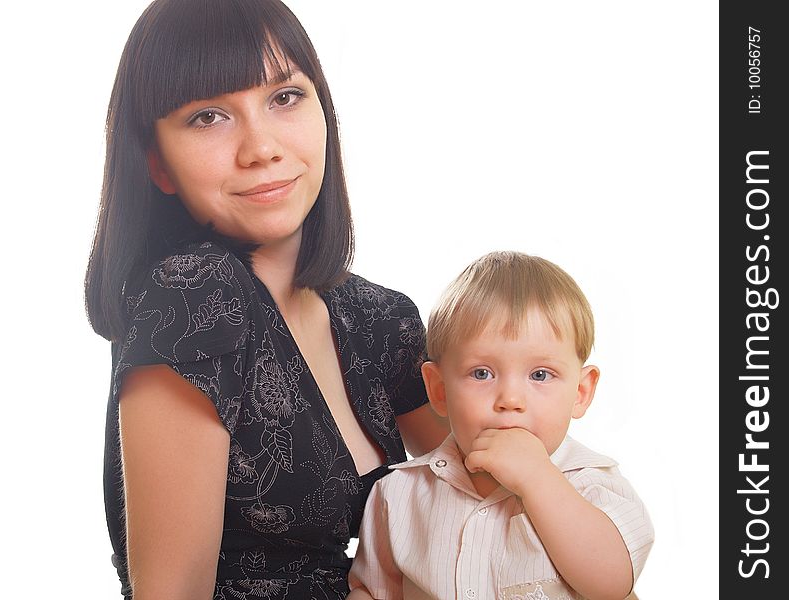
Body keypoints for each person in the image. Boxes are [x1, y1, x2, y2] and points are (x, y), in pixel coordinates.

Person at [83, 1, 449, 598]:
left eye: (284, 98)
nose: (261, 148)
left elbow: (494, 499)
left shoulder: (380, 319)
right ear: (156, 162)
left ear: (324, 110)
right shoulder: (193, 300)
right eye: (208, 117)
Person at [348, 251, 654, 600]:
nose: (510, 398)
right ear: (439, 389)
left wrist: (538, 478)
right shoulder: (399, 493)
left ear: (581, 392)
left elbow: (611, 585)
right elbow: (372, 589)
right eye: (482, 373)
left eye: (540, 375)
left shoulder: (594, 487)